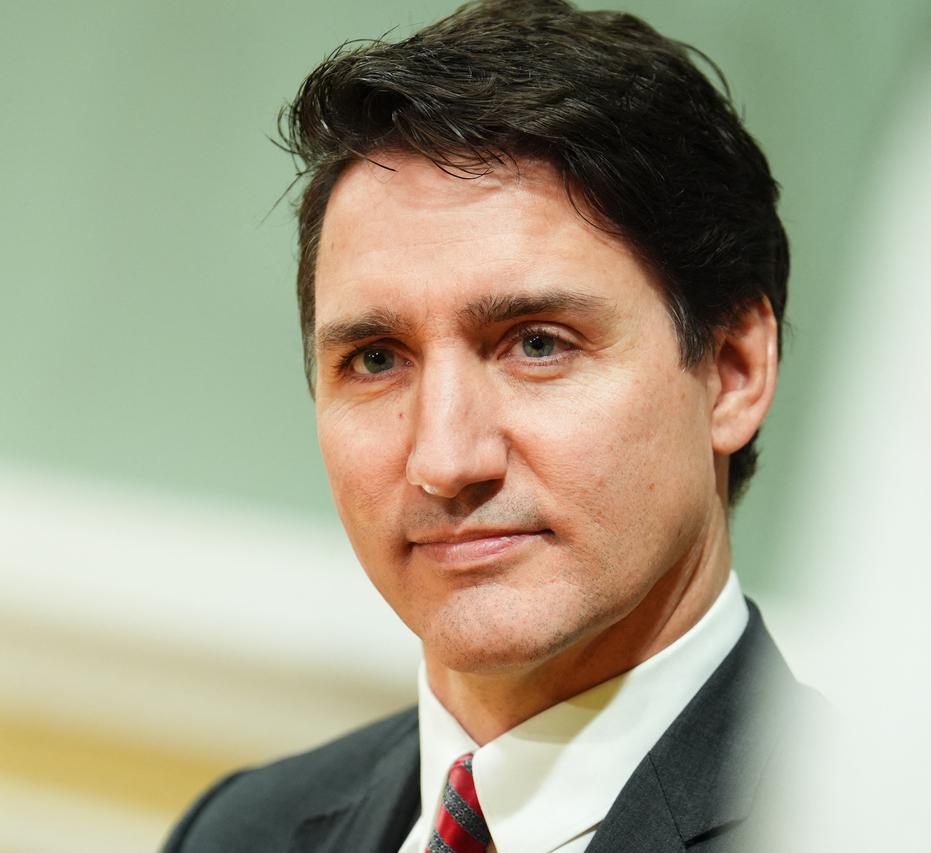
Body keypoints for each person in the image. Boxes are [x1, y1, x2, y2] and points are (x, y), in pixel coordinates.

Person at [162, 1, 817, 850]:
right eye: (375, 359)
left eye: (537, 344)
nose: (445, 458)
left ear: (732, 370)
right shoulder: (239, 833)